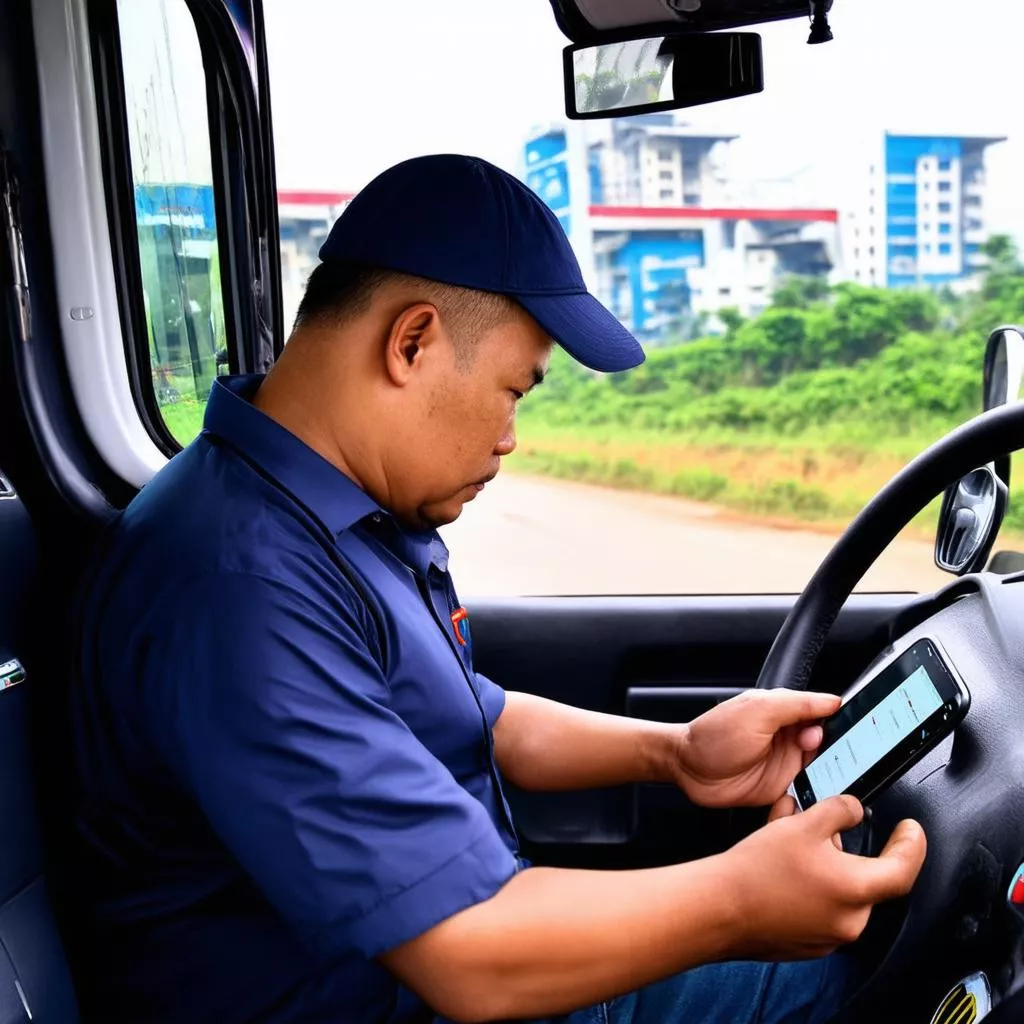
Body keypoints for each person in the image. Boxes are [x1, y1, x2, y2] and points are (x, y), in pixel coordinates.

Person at [69, 154, 927, 1024]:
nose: (511, 438)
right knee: (855, 965)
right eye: (514, 390)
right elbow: (466, 951)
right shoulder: (240, 582)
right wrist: (738, 902)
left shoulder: (333, 515)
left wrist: (677, 752)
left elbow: (476, 715)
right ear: (412, 342)